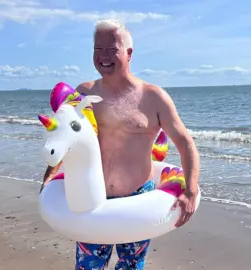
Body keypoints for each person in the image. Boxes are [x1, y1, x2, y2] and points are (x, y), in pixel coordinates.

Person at [40, 18, 200, 270]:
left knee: (131, 267)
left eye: (111, 49)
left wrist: (190, 191)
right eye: (97, 49)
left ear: (129, 52)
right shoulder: (83, 94)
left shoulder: (152, 97)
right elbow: (69, 137)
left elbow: (185, 143)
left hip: (138, 199)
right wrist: (51, 174)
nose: (103, 56)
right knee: (88, 267)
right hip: (91, 197)